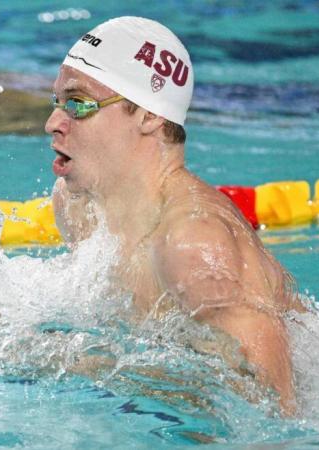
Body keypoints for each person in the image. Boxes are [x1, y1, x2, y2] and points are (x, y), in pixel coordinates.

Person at [45, 16, 305, 415]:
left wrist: (92, 366)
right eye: (57, 102)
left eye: (78, 105)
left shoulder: (192, 245)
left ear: (149, 116)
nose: (53, 124)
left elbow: (281, 417)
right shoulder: (78, 206)